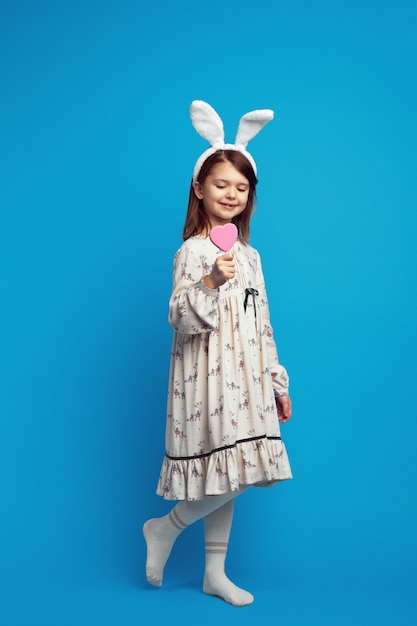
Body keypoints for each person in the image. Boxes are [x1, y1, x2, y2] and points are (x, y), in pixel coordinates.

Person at [143, 100, 293, 607]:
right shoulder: (192, 251)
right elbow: (180, 318)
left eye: (241, 187)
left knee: (234, 472)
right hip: (204, 381)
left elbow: (262, 322)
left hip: (246, 381)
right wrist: (209, 280)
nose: (231, 194)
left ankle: (213, 572)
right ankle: (165, 529)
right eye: (222, 184)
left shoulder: (250, 257)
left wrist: (276, 381)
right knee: (223, 470)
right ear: (199, 188)